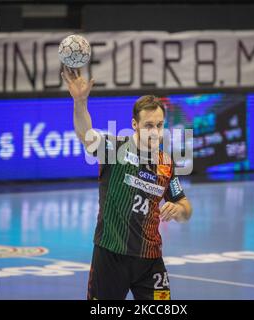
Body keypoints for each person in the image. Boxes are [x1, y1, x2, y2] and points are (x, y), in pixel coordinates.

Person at [62, 66, 192, 300]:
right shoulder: (115, 149)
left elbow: (185, 206)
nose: (155, 132)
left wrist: (179, 209)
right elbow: (85, 134)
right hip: (110, 256)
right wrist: (80, 102)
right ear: (135, 125)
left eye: (160, 125)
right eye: (149, 126)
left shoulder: (166, 164)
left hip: (150, 260)